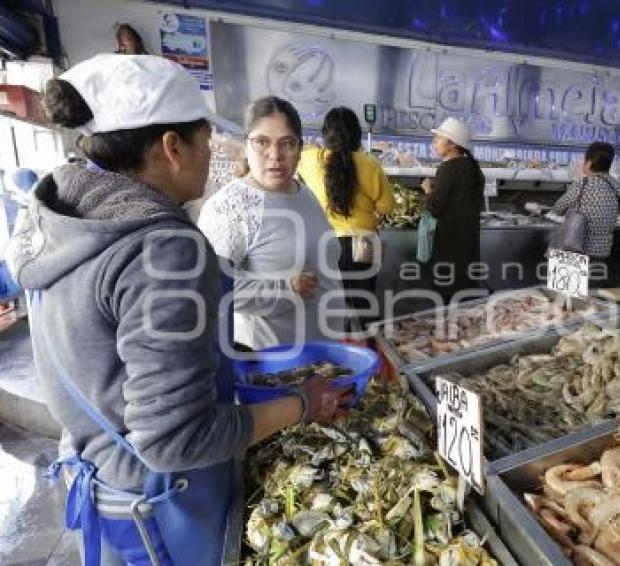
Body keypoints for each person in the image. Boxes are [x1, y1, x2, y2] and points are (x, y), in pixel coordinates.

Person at [6, 54, 349, 566]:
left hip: (102, 483)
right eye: (207, 144)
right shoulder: (162, 248)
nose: (211, 158)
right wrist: (304, 404)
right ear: (172, 148)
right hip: (161, 508)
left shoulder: (62, 219)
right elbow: (176, 438)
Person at [199, 96, 347, 349]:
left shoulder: (303, 192)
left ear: (300, 149)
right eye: (262, 142)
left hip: (323, 355)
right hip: (273, 365)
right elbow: (209, 285)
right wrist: (285, 288)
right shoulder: (231, 206)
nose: (275, 155)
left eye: (287, 143)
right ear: (246, 146)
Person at [297, 107, 394, 331]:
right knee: (364, 303)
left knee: (332, 303)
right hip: (366, 242)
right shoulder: (370, 164)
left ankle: (340, 354)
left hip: (327, 242)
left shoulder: (310, 159)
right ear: (356, 133)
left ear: (325, 133)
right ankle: (369, 352)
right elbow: (386, 205)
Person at [420, 117, 484, 303]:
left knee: (446, 291)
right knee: (465, 290)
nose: (434, 142)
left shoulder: (448, 169)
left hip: (450, 241)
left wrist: (428, 190)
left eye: (438, 138)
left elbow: (435, 208)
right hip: (469, 239)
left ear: (452, 144)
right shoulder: (472, 167)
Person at [550, 142, 620, 281]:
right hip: (602, 252)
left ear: (588, 163)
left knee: (568, 297)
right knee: (592, 295)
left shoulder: (584, 183)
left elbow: (558, 208)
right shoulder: (616, 185)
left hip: (576, 250)